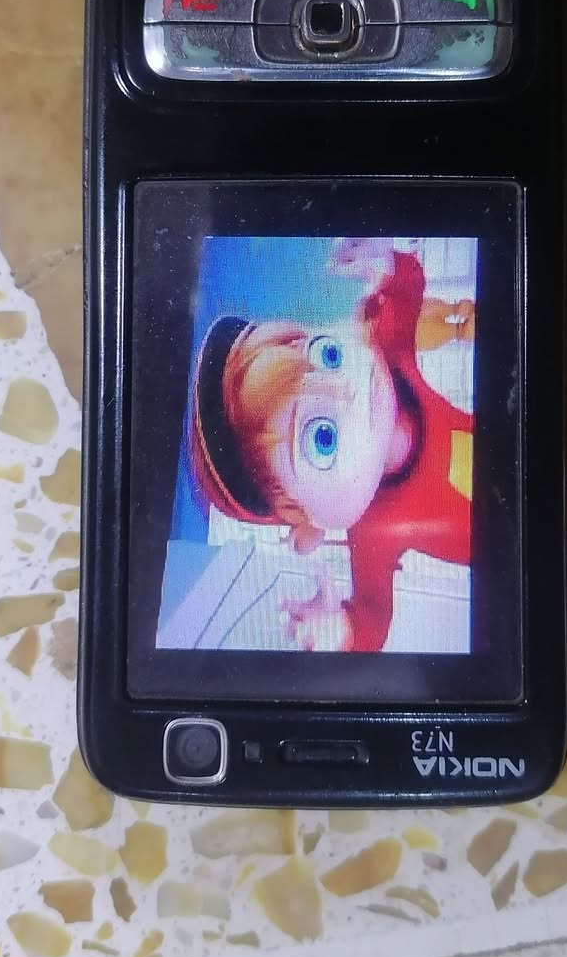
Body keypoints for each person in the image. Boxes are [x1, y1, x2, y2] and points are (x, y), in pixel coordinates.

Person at [188, 237, 474, 652]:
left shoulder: (393, 364)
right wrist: (340, 631)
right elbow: (372, 622)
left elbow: (408, 287)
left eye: (328, 355)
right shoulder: (374, 533)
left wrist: (385, 263)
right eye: (323, 438)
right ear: (310, 523)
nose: (348, 392)